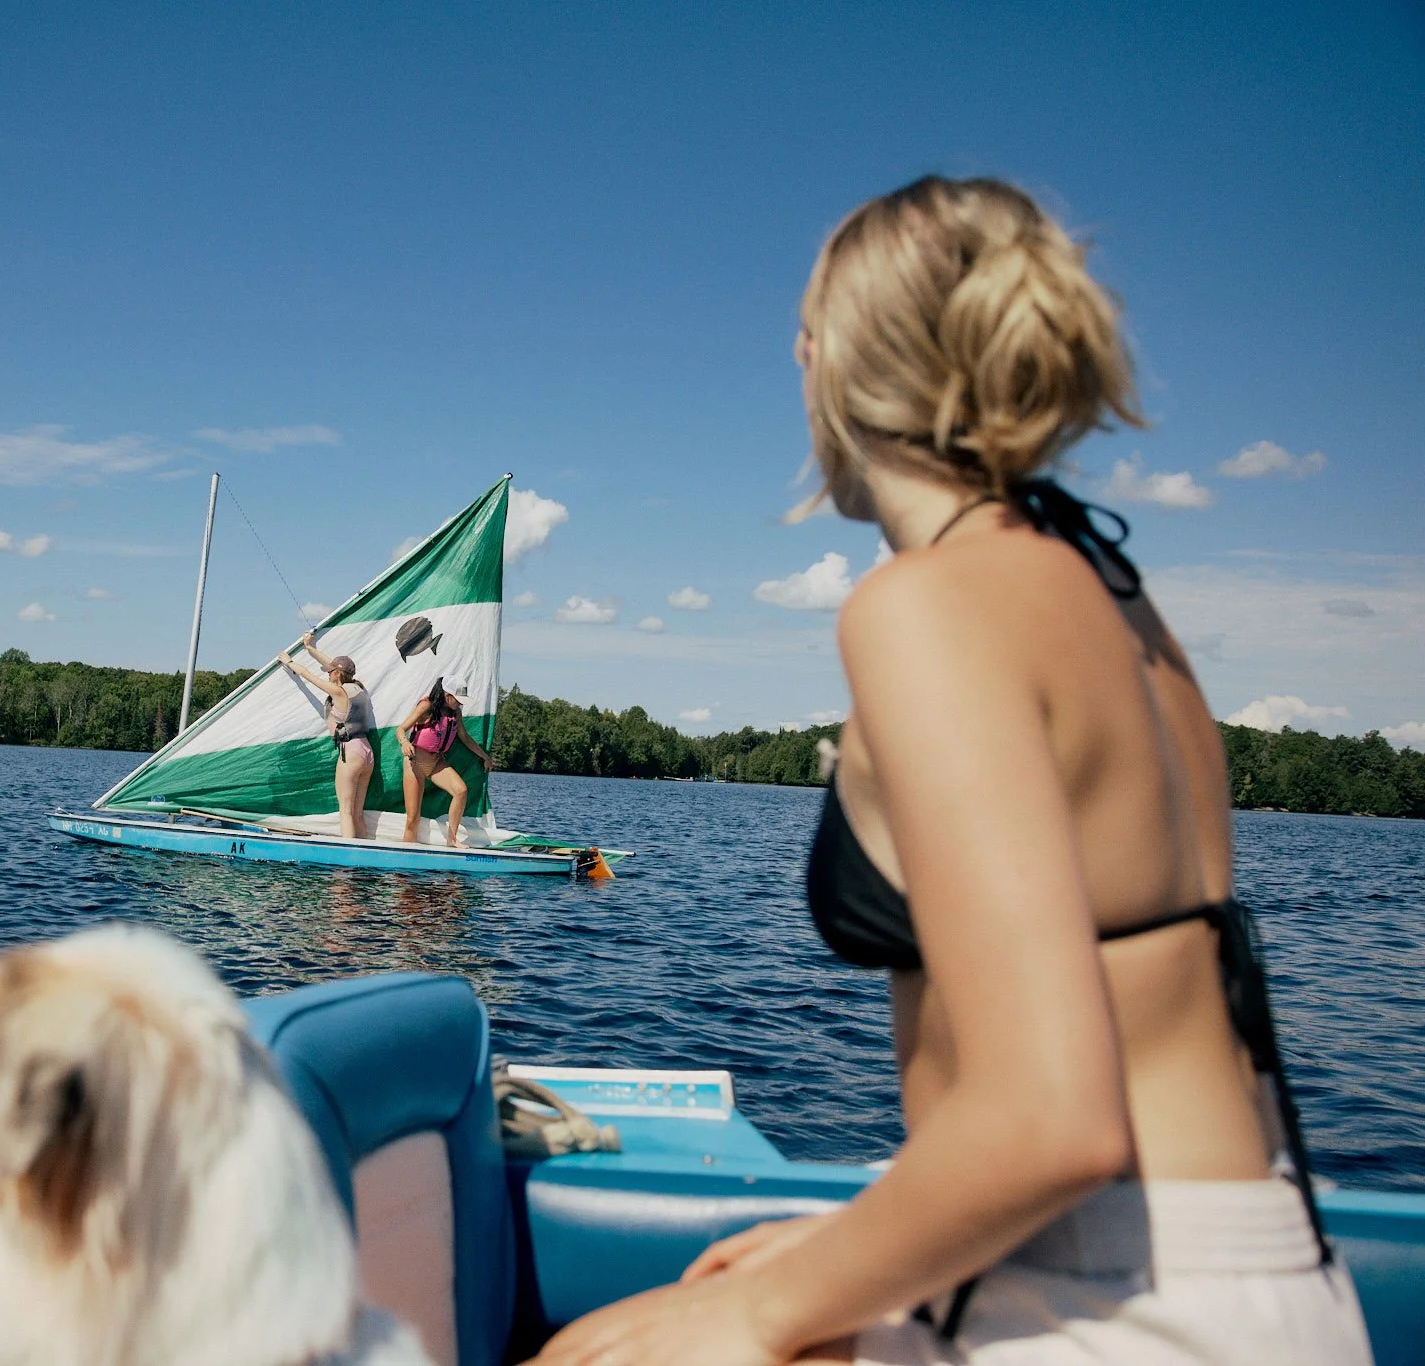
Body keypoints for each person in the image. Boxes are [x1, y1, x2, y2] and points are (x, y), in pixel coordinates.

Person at [536, 176, 1371, 1364]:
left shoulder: (926, 605)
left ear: (836, 362)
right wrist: (853, 1243)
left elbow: (1051, 1118)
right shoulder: (1112, 592)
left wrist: (750, 1315)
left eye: (804, 337)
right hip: (1247, 1268)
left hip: (1121, 1306)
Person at [278, 632, 377, 840]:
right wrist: (310, 648)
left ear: (337, 674)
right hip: (367, 752)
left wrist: (288, 661)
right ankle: (364, 854)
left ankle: (348, 856)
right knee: (357, 813)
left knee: (346, 811)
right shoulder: (359, 688)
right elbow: (332, 664)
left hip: (350, 752)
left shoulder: (338, 692)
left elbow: (306, 674)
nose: (328, 674)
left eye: (330, 672)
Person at [396, 677, 491, 847]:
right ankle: (406, 856)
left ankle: (452, 839)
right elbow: (400, 729)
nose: (460, 704)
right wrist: (404, 742)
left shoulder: (455, 713)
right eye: (458, 700)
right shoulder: (426, 706)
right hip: (415, 763)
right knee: (413, 818)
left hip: (436, 763)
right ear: (447, 696)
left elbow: (464, 737)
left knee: (461, 790)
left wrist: (485, 756)